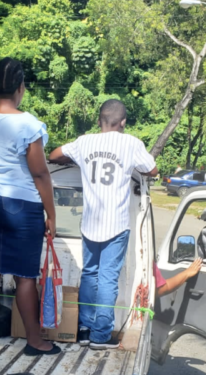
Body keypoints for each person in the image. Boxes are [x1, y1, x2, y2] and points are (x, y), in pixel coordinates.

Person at [0, 58, 59, 356]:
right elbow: (40, 173)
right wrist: (51, 214)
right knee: (25, 276)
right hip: (22, 205)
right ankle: (34, 340)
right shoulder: (29, 124)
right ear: (21, 87)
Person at [49, 100, 159, 349]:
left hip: (90, 223)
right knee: (108, 278)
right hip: (116, 225)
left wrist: (74, 161)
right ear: (123, 122)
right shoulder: (130, 143)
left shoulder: (84, 142)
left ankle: (85, 329)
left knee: (89, 274)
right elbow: (152, 170)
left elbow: (54, 155)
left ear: (99, 121)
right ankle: (100, 336)